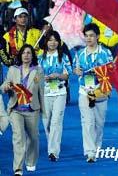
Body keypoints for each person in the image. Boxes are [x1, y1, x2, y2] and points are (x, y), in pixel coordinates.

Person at [0, 44, 44, 175]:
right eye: (24, 53)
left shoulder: (38, 71)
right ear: (20, 55)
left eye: (29, 53)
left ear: (32, 55)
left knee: (33, 138)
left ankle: (30, 161)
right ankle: (18, 168)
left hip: (32, 110)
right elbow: (3, 86)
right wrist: (6, 86)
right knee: (18, 138)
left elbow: (41, 91)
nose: (26, 55)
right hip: (16, 110)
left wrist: (44, 111)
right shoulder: (13, 70)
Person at [73, 23, 113, 163]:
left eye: (91, 36)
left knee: (99, 123)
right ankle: (90, 152)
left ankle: (97, 147)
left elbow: (111, 70)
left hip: (100, 91)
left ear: (97, 37)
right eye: (86, 36)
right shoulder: (79, 55)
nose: (89, 38)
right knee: (88, 122)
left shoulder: (105, 53)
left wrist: (99, 72)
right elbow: (75, 69)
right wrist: (77, 71)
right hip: (84, 91)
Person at [39, 30, 71, 161]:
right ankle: (52, 144)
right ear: (46, 42)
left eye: (55, 40)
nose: (53, 43)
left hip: (60, 92)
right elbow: (35, 77)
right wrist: (42, 78)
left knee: (56, 122)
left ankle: (53, 152)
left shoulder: (63, 57)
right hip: (45, 94)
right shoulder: (40, 58)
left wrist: (58, 75)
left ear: (59, 42)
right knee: (47, 123)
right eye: (50, 40)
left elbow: (68, 74)